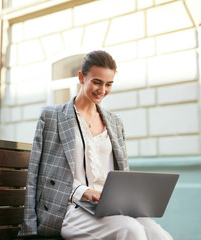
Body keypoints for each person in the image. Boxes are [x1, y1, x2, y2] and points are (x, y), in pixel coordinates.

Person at [18, 50, 173, 239]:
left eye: (109, 84)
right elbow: (37, 173)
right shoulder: (52, 117)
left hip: (110, 207)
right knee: (130, 230)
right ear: (81, 77)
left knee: (157, 233)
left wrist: (132, 198)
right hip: (66, 208)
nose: (102, 90)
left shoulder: (114, 122)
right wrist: (83, 191)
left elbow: (122, 173)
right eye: (97, 82)